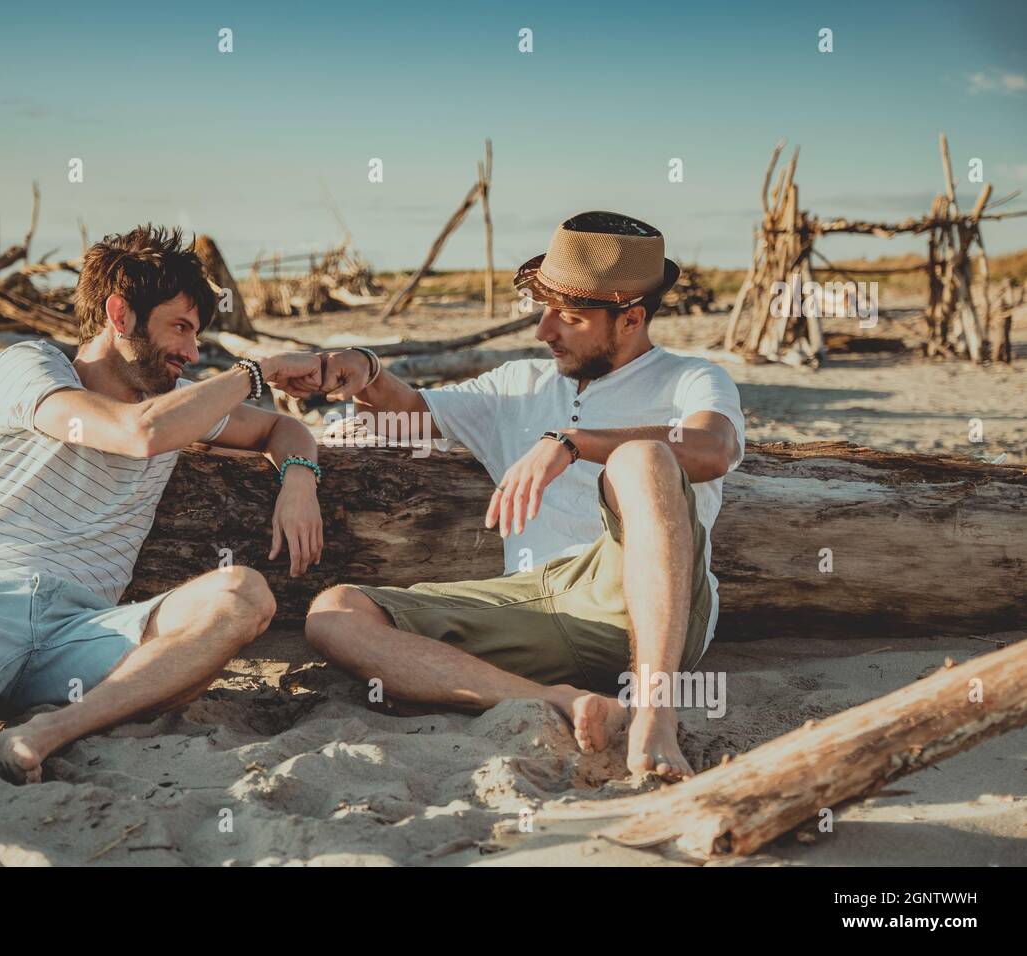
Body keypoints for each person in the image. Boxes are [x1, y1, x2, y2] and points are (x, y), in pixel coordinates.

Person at [0, 225, 325, 819]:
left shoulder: (177, 404)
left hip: (82, 630)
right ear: (120, 314)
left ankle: (49, 731)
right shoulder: (31, 367)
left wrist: (300, 476)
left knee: (243, 595)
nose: (192, 352)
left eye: (198, 334)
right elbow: (138, 433)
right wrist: (253, 373)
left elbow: (281, 428)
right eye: (180, 327)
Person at [305, 212, 745, 780]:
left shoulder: (691, 378)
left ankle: (653, 715)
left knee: (641, 458)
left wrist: (572, 442)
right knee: (334, 614)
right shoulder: (516, 386)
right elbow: (410, 412)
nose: (545, 331)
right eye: (545, 311)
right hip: (538, 604)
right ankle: (560, 700)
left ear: (631, 318)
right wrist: (361, 368)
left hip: (649, 604)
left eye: (570, 317)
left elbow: (713, 447)